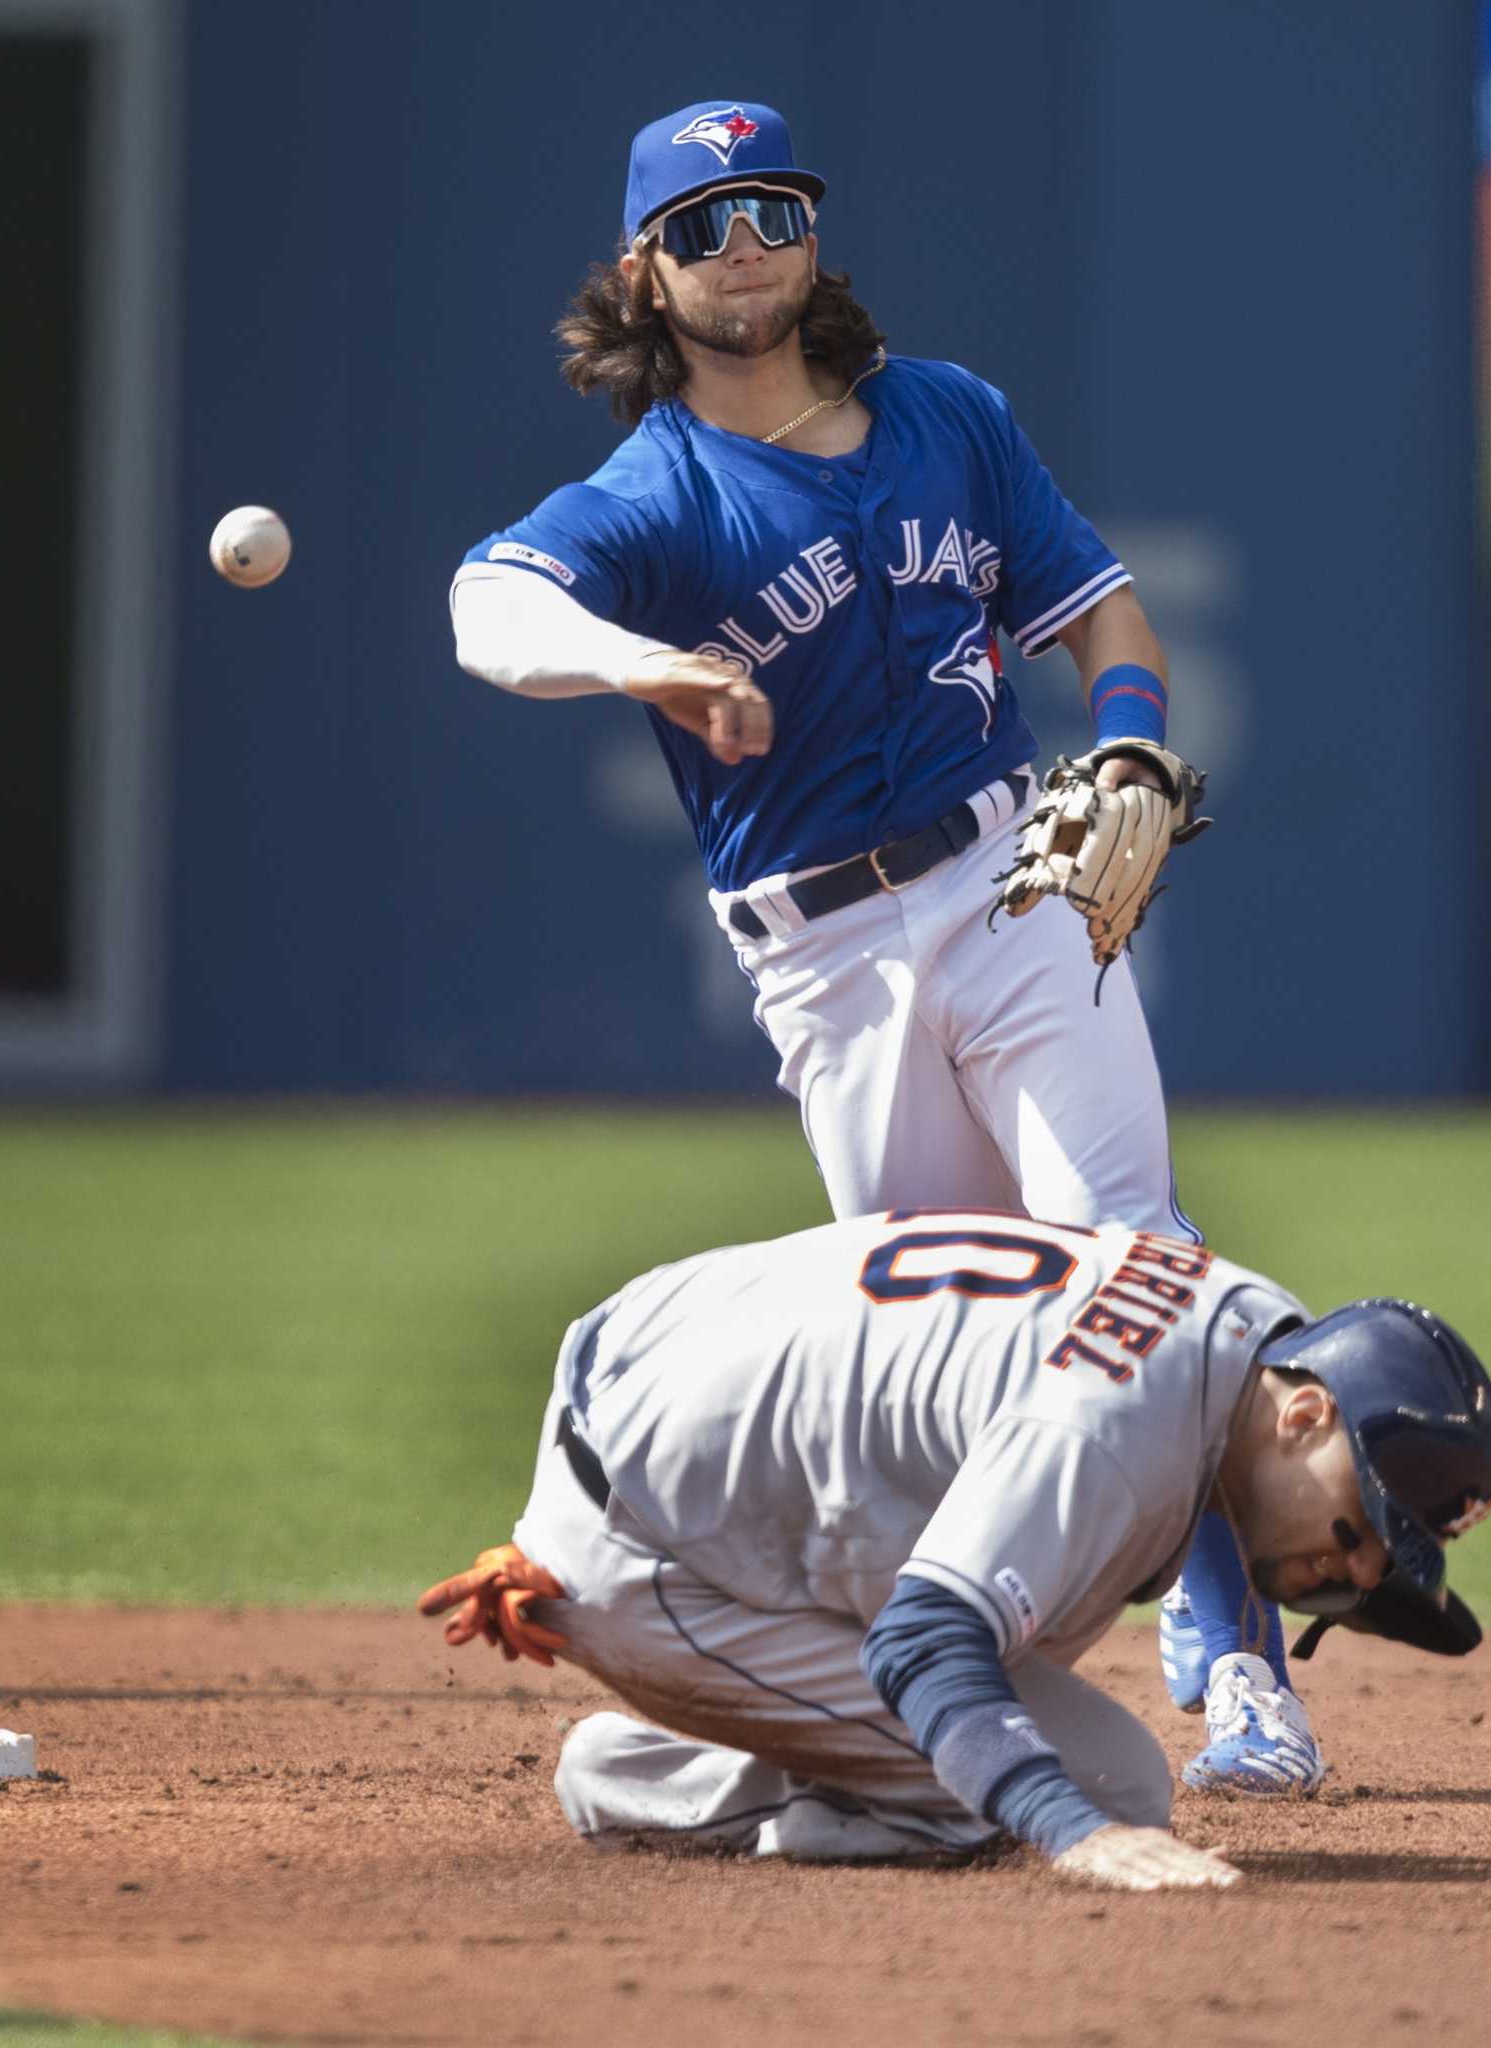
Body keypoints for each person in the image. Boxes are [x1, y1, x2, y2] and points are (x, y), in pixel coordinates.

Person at [447, 99, 1296, 1789]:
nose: (743, 242)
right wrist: (650, 668)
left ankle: (1236, 1661)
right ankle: (887, 1689)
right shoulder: (660, 493)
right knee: (938, 1352)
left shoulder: (946, 418)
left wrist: (1123, 743)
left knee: (1134, 1253)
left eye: (771, 207)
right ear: (647, 269)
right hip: (826, 959)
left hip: (1013, 882)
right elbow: (490, 608)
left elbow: (1099, 614)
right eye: (700, 224)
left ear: (813, 234)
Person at [417, 1209, 1491, 1886]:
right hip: (649, 1543)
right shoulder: (1113, 1434)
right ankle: (636, 1779)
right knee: (1075, 1781)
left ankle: (758, 1735)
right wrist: (1071, 1832)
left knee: (1046, 1637)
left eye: (1383, 1566)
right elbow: (927, 1638)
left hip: (647, 1358)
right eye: (1363, 1521)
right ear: (1307, 1415)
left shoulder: (1250, 1322)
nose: (1360, 1574)